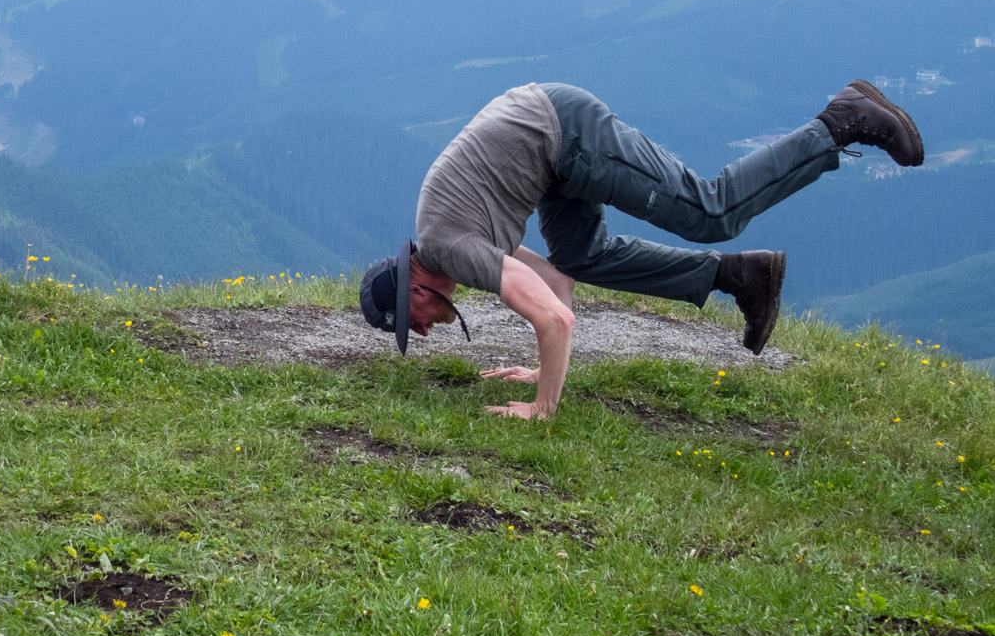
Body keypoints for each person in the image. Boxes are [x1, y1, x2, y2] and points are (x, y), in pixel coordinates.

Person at [359, 80, 923, 419]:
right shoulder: (444, 238)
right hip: (550, 155)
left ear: (415, 285)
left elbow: (554, 319)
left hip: (565, 134)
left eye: (413, 322)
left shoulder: (448, 245)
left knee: (711, 211)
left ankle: (842, 121)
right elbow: (559, 284)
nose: (427, 331)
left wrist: (543, 408)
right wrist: (540, 371)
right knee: (583, 255)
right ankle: (737, 278)